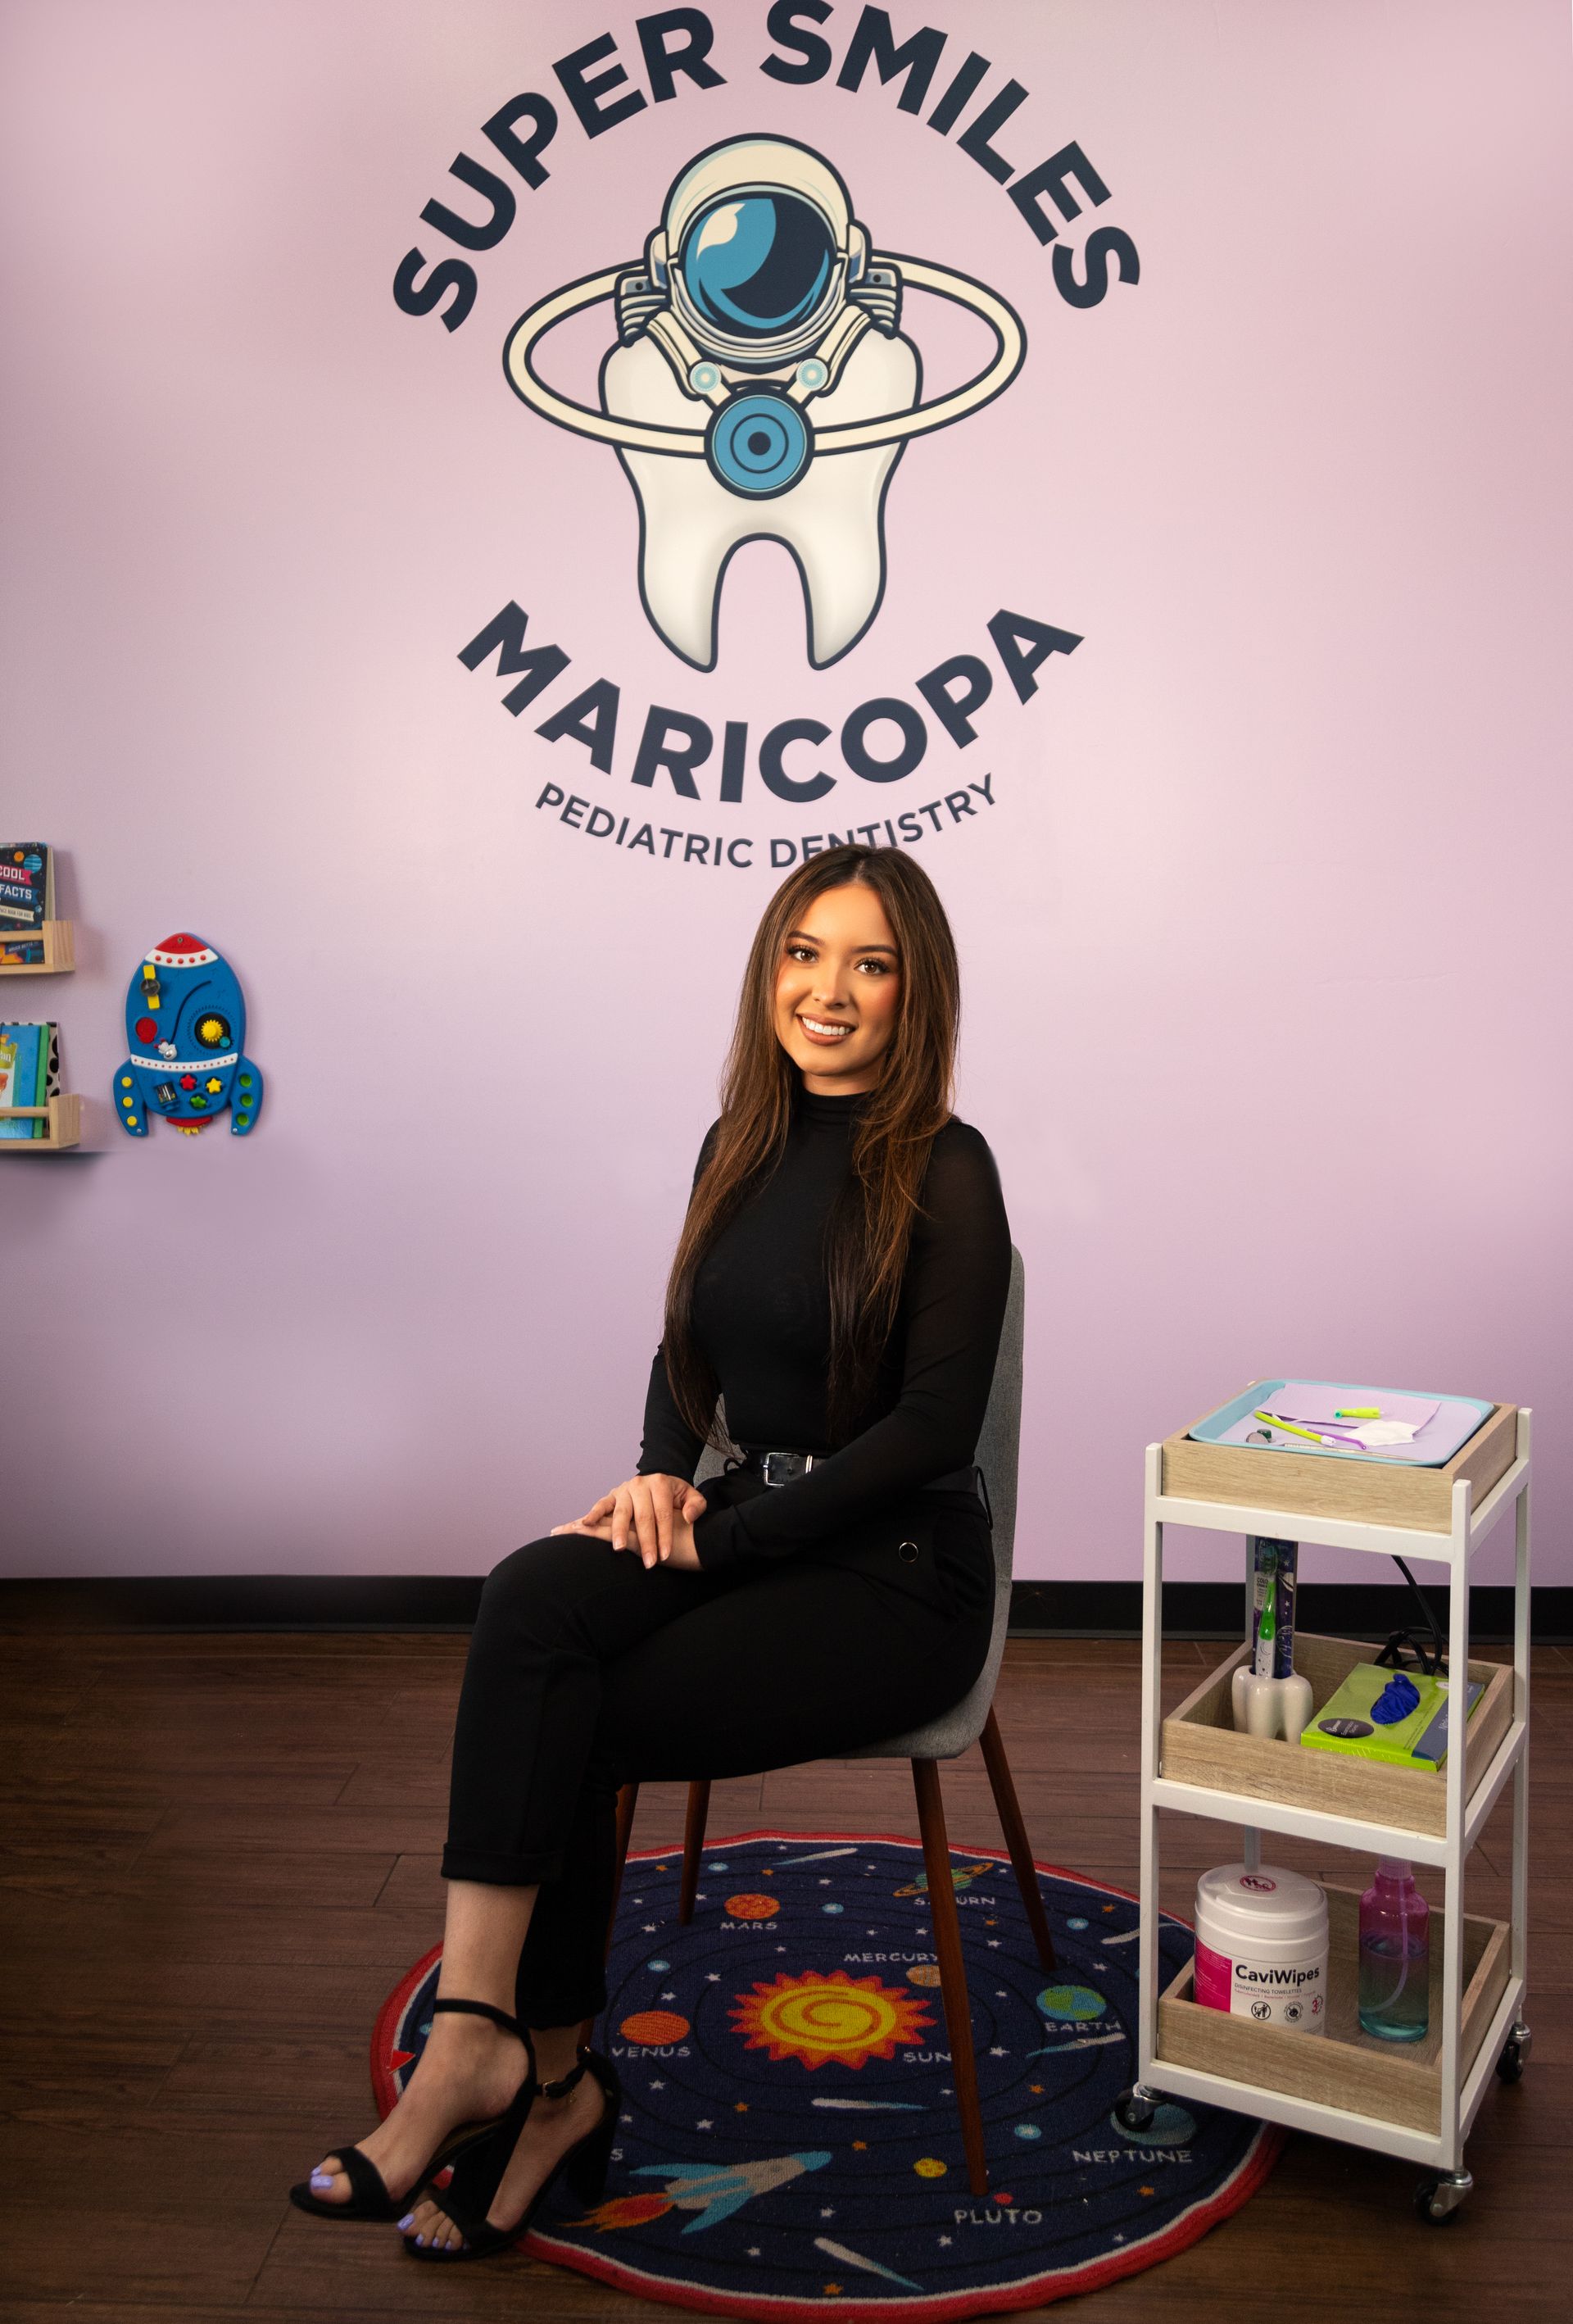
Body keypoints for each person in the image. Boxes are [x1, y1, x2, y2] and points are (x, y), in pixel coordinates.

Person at [288, 842, 1012, 2262]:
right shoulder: (733, 1142)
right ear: (769, 969)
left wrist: (727, 1532)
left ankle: (540, 2087)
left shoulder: (948, 1164)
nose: (830, 989)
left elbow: (934, 1431)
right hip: (743, 1526)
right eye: (806, 952)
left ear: (915, 991)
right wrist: (659, 1485)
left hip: (895, 1577)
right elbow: (687, 1353)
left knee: (570, 1711)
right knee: (533, 1597)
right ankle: (494, 2054)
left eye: (872, 963)